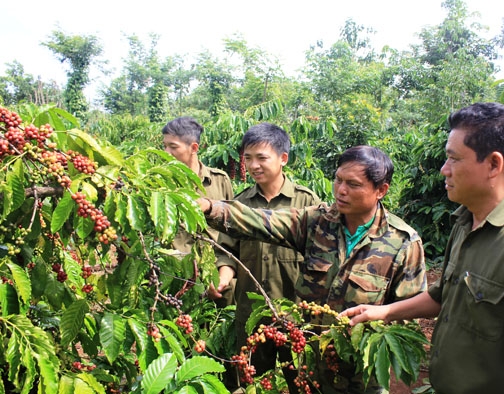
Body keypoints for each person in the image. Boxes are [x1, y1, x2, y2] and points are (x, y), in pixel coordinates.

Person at [340, 103, 504, 394]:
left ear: (494, 165)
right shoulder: (465, 223)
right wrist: (381, 312)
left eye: (453, 159)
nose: (444, 170)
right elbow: (442, 296)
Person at [198, 145, 427, 394]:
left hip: (359, 376)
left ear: (381, 190)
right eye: (338, 180)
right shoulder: (316, 223)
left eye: (353, 184)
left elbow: (409, 316)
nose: (341, 190)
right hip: (308, 367)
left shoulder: (402, 243)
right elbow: (261, 221)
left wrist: (374, 322)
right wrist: (210, 208)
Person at [208, 122, 321, 391]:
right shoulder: (240, 204)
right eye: (248, 158)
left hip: (296, 315)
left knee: (300, 379)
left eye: (262, 158)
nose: (254, 166)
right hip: (251, 316)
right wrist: (222, 279)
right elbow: (227, 252)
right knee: (250, 380)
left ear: (283, 159)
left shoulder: (306, 202)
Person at [162, 116, 235, 306]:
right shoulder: (159, 184)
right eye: (165, 146)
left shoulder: (220, 180)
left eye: (173, 147)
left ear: (194, 148)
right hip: (176, 281)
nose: (166, 152)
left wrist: (223, 275)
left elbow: (232, 228)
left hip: (217, 279)